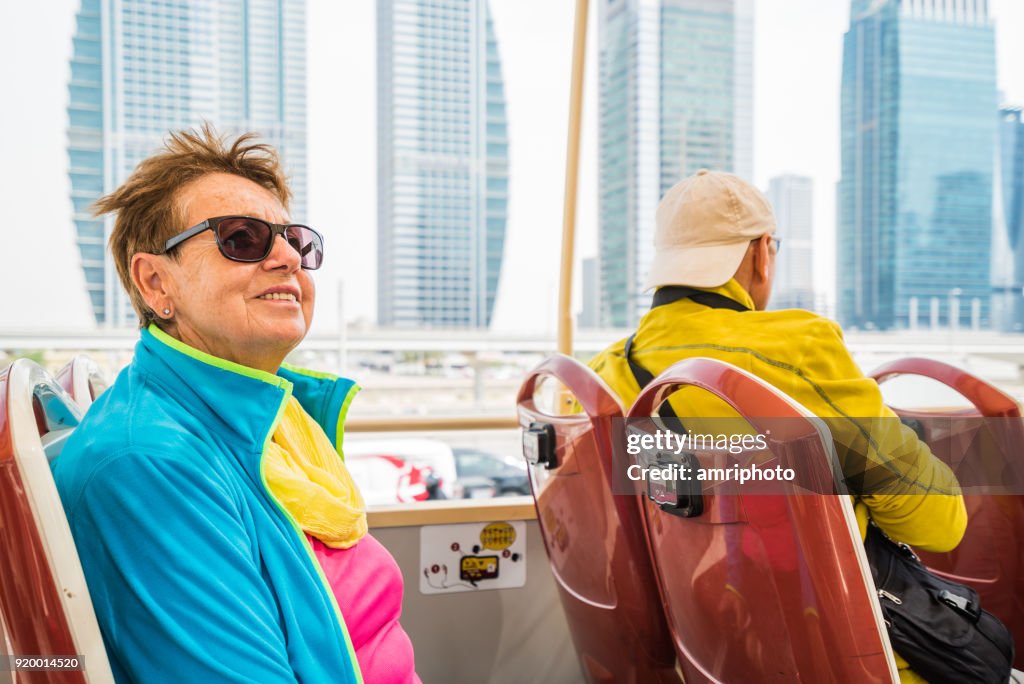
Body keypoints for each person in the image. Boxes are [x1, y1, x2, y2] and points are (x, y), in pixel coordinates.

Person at [52, 125, 419, 683]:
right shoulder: (149, 466)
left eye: (295, 240)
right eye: (242, 238)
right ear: (156, 284)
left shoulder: (277, 429)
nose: (286, 258)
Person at [588, 169, 967, 683]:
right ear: (763, 252)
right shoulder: (799, 347)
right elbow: (938, 525)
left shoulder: (604, 374)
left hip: (713, 651)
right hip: (846, 658)